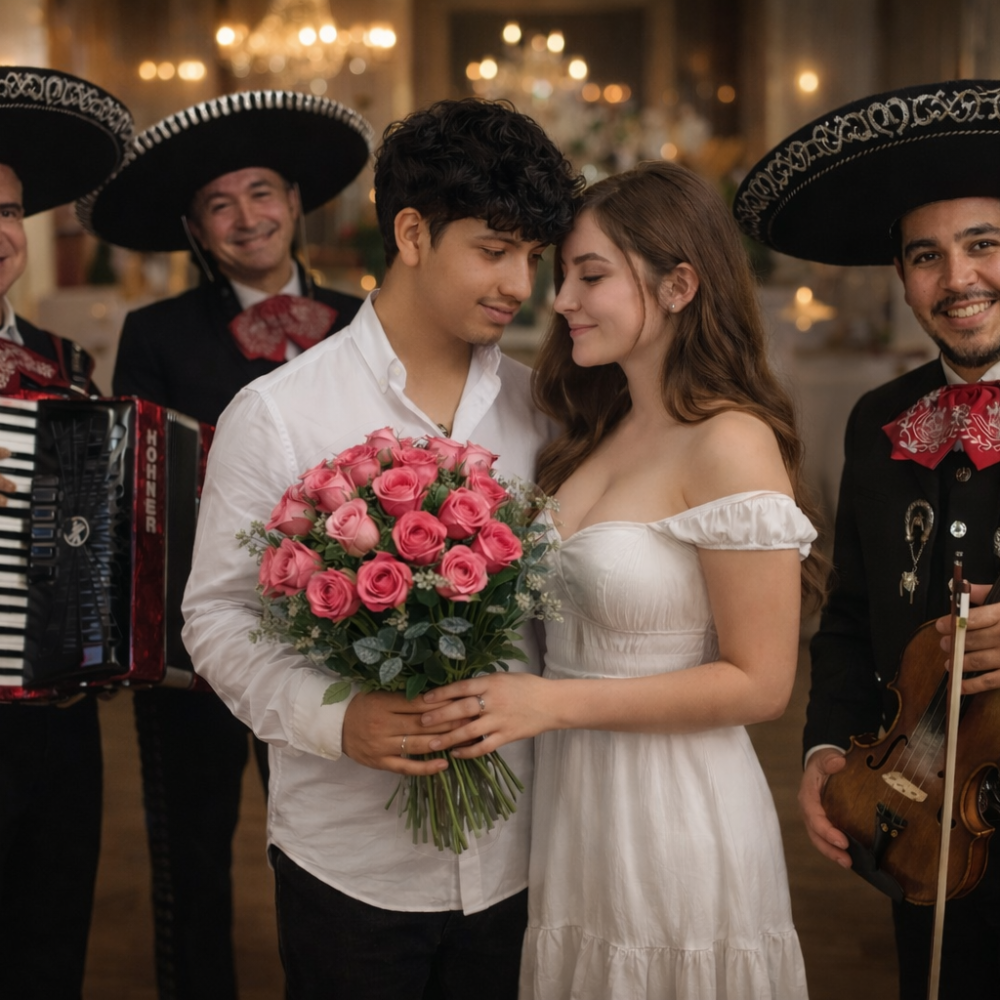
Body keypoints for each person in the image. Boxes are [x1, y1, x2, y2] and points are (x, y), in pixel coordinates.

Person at [180, 98, 582, 999]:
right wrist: (338, 720)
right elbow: (216, 618)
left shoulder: (547, 411)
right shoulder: (279, 413)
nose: (521, 284)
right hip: (347, 866)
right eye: (494, 249)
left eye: (534, 257)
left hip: (525, 856)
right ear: (410, 232)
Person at [418, 159, 823, 998]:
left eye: (589, 275)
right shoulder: (597, 429)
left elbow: (762, 684)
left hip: (674, 811)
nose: (559, 300)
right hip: (574, 808)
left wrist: (551, 704)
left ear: (679, 283)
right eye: (563, 275)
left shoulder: (730, 441)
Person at [77, 91, 372, 1000]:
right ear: (197, 231)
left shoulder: (369, 320)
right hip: (198, 645)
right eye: (220, 204)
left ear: (295, 199)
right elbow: (145, 494)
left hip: (343, 637)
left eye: (260, 192)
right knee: (192, 858)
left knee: (331, 854)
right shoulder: (153, 335)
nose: (247, 218)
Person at [732, 78, 1000, 995]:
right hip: (921, 817)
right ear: (901, 275)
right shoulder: (877, 418)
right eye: (927, 256)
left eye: (983, 245)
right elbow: (847, 617)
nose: (958, 279)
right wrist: (825, 752)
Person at [0, 66, 133, 999]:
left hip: (53, 717)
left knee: (49, 948)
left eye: (8, 212)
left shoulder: (64, 365)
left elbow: (92, 537)